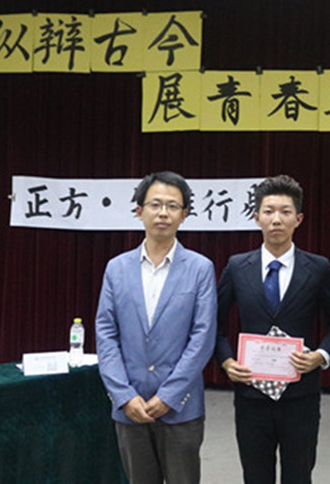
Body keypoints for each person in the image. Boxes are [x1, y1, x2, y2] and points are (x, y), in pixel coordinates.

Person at [214, 175, 330, 484]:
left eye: (285, 211)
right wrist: (226, 361)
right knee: (256, 475)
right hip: (251, 394)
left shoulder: (318, 268)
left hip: (301, 395)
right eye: (269, 211)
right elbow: (214, 323)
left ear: (299, 219)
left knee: (299, 475)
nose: (277, 219)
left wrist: (321, 355)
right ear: (256, 217)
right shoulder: (237, 266)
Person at [96, 171, 217, 484]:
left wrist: (169, 395)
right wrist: (123, 395)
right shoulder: (116, 268)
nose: (163, 213)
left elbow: (202, 337)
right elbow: (106, 335)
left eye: (172, 206)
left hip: (180, 408)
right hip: (130, 407)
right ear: (139, 211)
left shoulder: (200, 268)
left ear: (184, 215)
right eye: (155, 204)